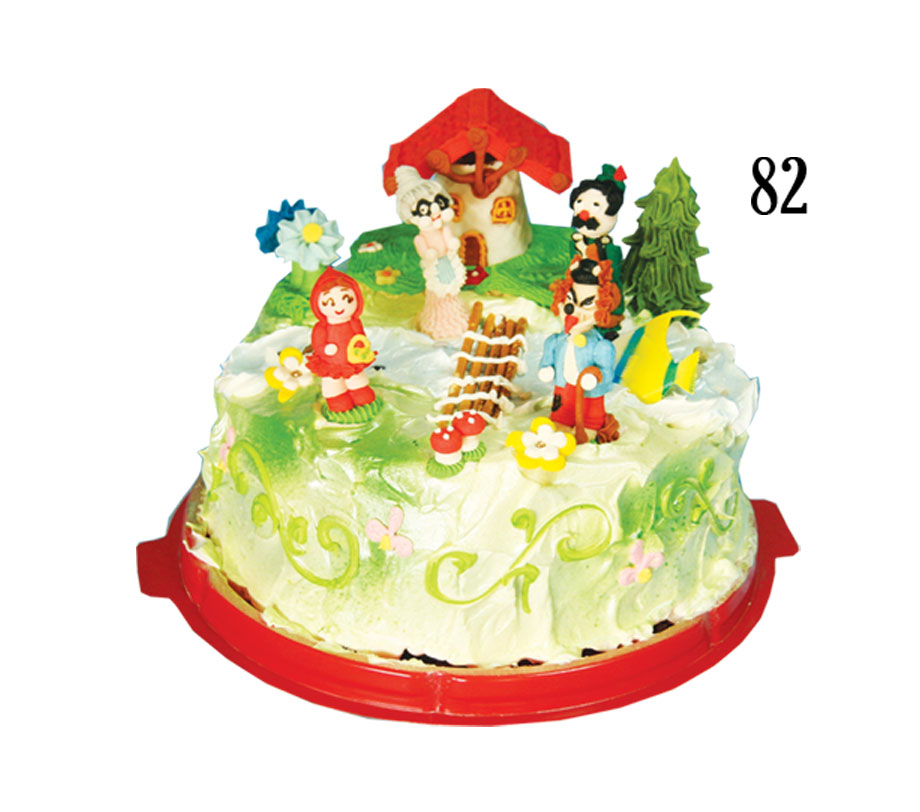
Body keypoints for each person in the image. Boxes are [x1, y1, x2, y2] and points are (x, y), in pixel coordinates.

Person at [540, 258, 621, 431]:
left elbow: (607, 374)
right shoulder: (556, 341)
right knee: (559, 421)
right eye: (571, 301)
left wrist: (594, 378)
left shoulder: (601, 347)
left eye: (587, 304)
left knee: (589, 425)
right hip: (563, 390)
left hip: (590, 396)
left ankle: (590, 426)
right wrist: (546, 369)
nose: (575, 311)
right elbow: (548, 360)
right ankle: (562, 422)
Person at [306, 267, 377, 413]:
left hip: (352, 361)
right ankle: (337, 399)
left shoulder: (354, 322)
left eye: (347, 299)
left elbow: (360, 336)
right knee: (333, 384)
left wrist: (362, 348)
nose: (339, 308)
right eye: (329, 303)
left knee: (357, 381)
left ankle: (360, 392)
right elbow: (318, 344)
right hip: (330, 364)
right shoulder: (321, 327)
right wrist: (325, 349)